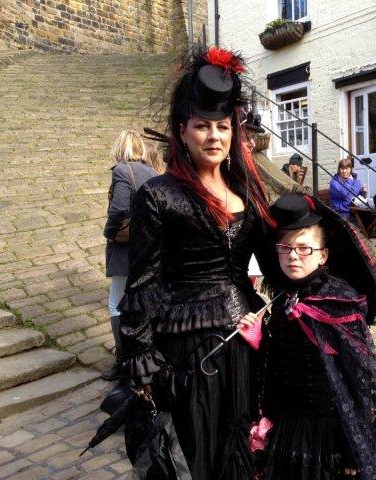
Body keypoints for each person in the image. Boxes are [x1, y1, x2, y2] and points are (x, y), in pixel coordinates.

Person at [117, 45, 275, 479]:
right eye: (202, 126)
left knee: (243, 438)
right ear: (182, 132)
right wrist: (140, 353)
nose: (214, 137)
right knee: (196, 447)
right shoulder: (159, 195)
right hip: (188, 348)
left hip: (244, 339)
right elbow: (143, 280)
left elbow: (278, 259)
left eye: (223, 126)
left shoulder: (248, 192)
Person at [240, 193, 376, 480]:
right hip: (287, 425)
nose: (292, 256)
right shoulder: (283, 299)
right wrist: (259, 337)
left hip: (326, 433)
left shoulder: (340, 304)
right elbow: (279, 364)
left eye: (304, 249)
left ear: (323, 255)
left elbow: (359, 382)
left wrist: (353, 449)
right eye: (285, 248)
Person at [102, 130, 157, 381]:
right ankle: (144, 354)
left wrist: (110, 233)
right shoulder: (153, 173)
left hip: (128, 249)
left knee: (116, 303)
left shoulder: (123, 170)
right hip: (150, 248)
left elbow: (119, 208)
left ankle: (123, 358)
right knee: (143, 301)